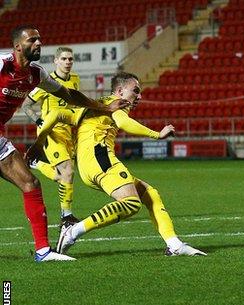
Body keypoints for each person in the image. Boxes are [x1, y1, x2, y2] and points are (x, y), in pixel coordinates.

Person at [28, 72, 206, 256]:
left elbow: (57, 114)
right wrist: (157, 134)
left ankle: (174, 244)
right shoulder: (116, 105)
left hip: (88, 164)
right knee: (131, 203)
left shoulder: (94, 104)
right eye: (135, 91)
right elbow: (124, 122)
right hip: (100, 157)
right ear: (120, 91)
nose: (139, 96)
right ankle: (72, 231)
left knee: (149, 194)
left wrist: (39, 143)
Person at [0, 25, 128, 262]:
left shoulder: (36, 74)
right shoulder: (2, 64)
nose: (38, 43)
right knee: (30, 183)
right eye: (32, 41)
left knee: (30, 183)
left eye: (40, 39)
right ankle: (43, 251)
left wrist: (104, 106)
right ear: (18, 46)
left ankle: (43, 251)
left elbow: (69, 95)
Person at [22, 46, 80, 226]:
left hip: (67, 133)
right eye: (64, 59)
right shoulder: (47, 82)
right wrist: (39, 121)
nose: (68, 62)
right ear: (55, 61)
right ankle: (66, 216)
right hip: (51, 132)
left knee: (63, 176)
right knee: (68, 172)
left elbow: (75, 104)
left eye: (70, 59)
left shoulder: (75, 80)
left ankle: (35, 163)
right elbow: (26, 105)